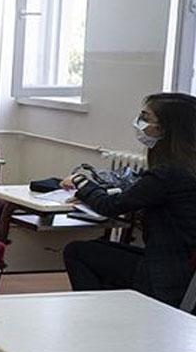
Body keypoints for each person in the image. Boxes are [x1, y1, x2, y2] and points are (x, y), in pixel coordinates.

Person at [62, 92, 196, 307]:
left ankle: (97, 314)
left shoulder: (168, 173)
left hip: (164, 275)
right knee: (99, 247)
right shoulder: (185, 167)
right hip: (183, 267)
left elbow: (109, 206)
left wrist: (81, 182)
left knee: (77, 251)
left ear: (165, 128)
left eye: (145, 118)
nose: (139, 123)